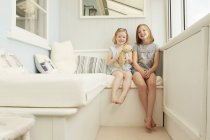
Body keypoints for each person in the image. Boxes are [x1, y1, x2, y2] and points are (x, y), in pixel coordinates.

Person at [132, 24, 160, 130]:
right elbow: (134, 63)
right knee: (142, 86)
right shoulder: (136, 46)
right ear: (137, 35)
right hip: (138, 71)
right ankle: (149, 118)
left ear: (149, 31)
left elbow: (156, 64)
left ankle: (147, 118)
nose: (142, 33)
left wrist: (149, 72)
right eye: (139, 32)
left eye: (144, 30)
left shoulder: (155, 46)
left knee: (152, 84)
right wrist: (142, 71)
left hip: (150, 70)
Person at [107, 28, 133, 104]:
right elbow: (108, 62)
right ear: (116, 37)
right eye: (119, 36)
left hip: (126, 68)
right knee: (119, 75)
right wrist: (116, 57)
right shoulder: (112, 48)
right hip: (116, 68)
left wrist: (128, 59)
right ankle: (113, 95)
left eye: (123, 37)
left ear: (126, 38)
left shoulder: (128, 48)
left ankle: (122, 96)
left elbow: (131, 62)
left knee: (129, 75)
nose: (121, 39)